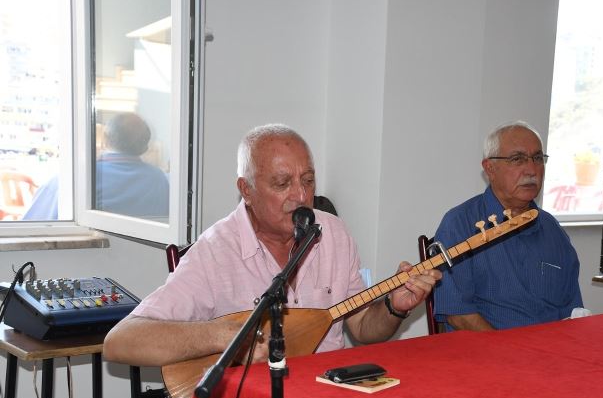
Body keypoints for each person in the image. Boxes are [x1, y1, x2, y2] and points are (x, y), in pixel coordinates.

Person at [104, 124, 441, 366]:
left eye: (308, 181)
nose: (300, 195)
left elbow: (364, 329)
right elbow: (121, 341)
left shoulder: (334, 233)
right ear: (246, 189)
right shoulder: (216, 250)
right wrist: (224, 335)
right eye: (282, 183)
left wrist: (395, 307)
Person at [433, 121, 583, 331]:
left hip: (551, 353)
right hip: (488, 354)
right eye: (517, 159)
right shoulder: (460, 224)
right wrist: (507, 352)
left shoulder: (552, 230)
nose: (531, 169)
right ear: (490, 168)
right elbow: (458, 315)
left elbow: (573, 311)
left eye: (538, 158)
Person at [22, 112, 169, 221]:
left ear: (104, 140)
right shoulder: (159, 180)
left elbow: (31, 229)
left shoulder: (75, 179)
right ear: (144, 147)